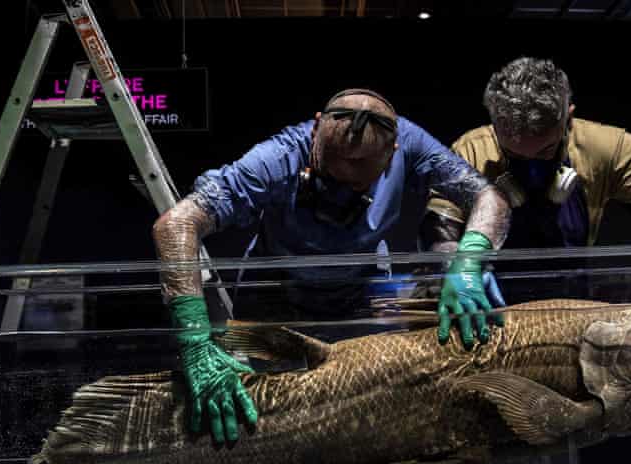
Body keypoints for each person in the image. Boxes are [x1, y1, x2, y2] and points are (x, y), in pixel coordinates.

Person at [152, 88, 511, 445]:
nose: (340, 193)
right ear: (316, 129)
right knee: (262, 427)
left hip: (353, 298)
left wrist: (468, 263)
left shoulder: (412, 144)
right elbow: (176, 224)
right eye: (328, 172)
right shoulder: (277, 158)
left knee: (352, 424)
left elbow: (489, 197)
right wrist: (195, 341)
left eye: (357, 183)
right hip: (272, 299)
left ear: (392, 153)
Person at [422, 57, 631, 374]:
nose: (533, 169)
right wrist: (458, 268)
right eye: (513, 154)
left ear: (568, 118)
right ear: (495, 127)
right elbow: (438, 232)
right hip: (487, 315)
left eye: (546, 151)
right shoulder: (470, 151)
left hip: (571, 314)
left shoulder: (607, 147)